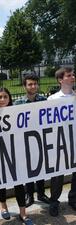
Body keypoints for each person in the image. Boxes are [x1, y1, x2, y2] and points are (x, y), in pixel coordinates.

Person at [0, 88, 33, 225]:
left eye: (5, 96)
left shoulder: (17, 113)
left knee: (19, 183)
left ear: (9, 98)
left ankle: (23, 213)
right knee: (1, 182)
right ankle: (3, 206)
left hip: (15, 152)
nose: (2, 99)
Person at [14, 74, 50, 207]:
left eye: (35, 84)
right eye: (30, 84)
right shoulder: (19, 103)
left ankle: (41, 193)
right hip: (25, 141)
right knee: (28, 168)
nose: (33, 86)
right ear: (25, 86)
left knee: (41, 166)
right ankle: (30, 195)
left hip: (41, 138)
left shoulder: (44, 100)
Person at [47, 67, 76, 217]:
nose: (73, 77)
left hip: (75, 139)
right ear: (60, 80)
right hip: (59, 140)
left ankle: (73, 198)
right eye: (69, 75)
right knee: (58, 173)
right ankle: (54, 201)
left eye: (73, 74)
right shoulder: (52, 99)